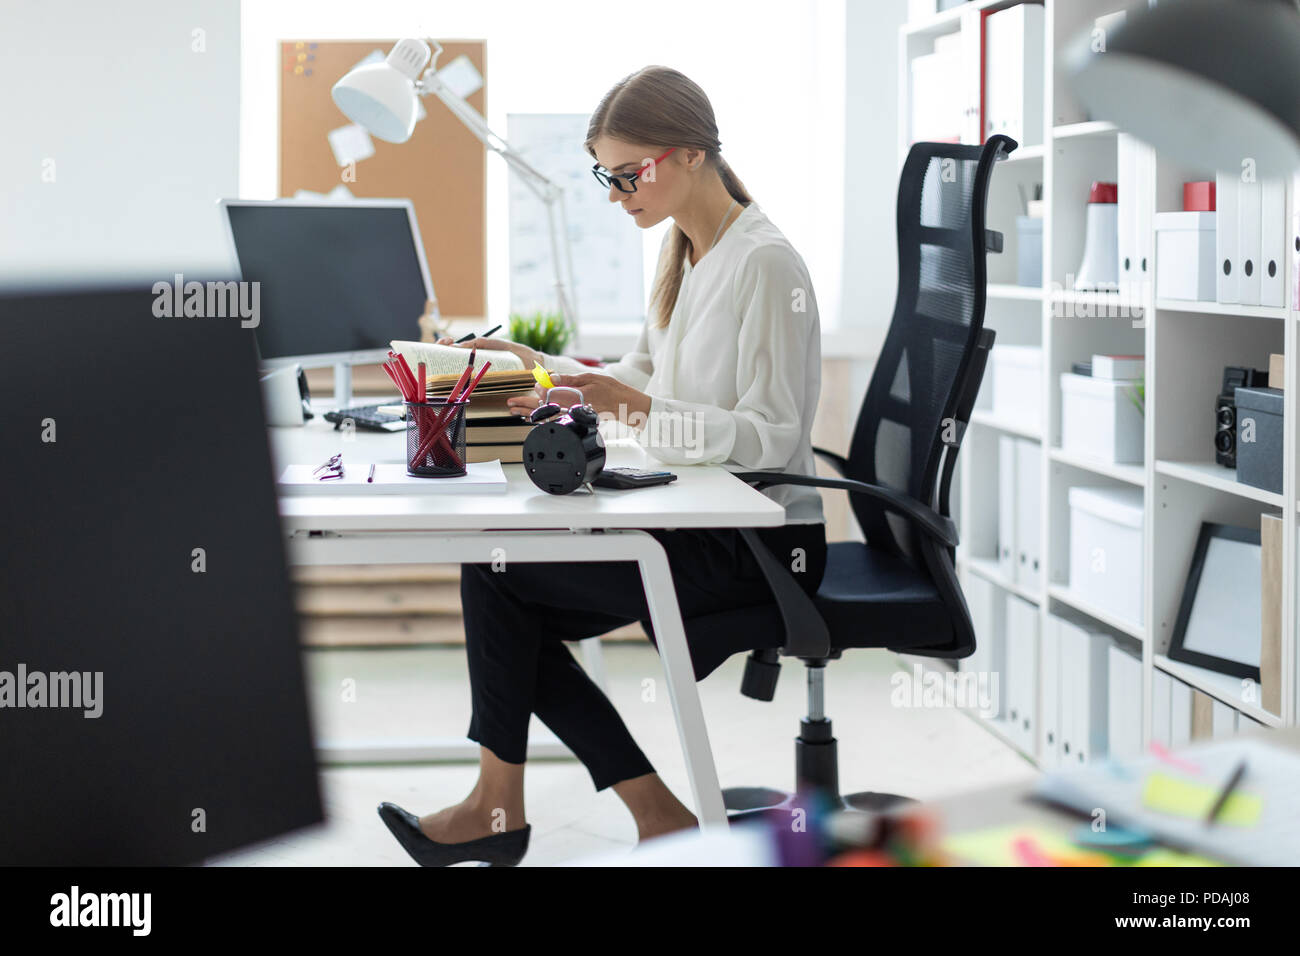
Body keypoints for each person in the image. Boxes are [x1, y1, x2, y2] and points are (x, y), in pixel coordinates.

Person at [378, 65, 827, 866]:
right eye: (606, 177)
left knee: (499, 575)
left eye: (628, 174)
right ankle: (615, 811)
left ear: (689, 155)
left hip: (757, 547)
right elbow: (643, 377)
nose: (617, 194)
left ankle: (518, 809)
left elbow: (770, 437)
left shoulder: (766, 264)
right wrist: (537, 366)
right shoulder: (691, 252)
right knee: (502, 578)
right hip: (702, 518)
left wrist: (631, 405)